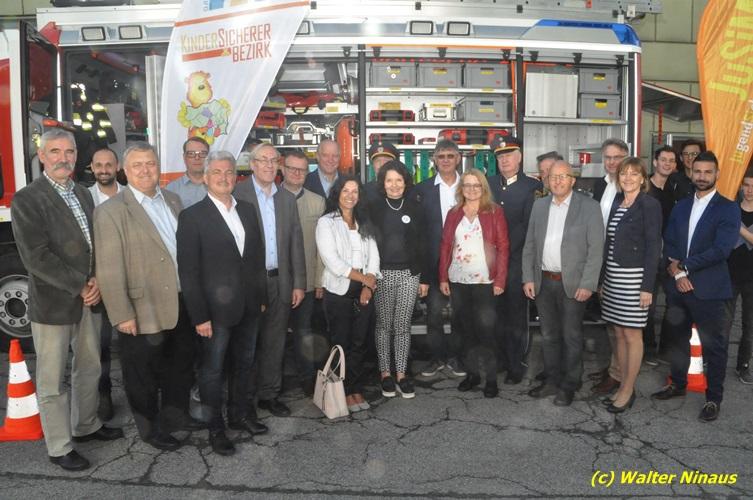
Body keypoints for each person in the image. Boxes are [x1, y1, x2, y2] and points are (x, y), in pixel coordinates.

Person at [11, 129, 123, 472]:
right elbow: (36, 257)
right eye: (55, 152)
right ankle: (59, 446)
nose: (63, 158)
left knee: (89, 367)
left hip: (89, 297)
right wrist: (80, 285)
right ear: (42, 156)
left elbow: (94, 244)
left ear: (77, 156)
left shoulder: (82, 193)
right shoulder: (27, 199)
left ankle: (86, 425)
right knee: (52, 379)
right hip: (54, 303)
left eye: (69, 152)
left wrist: (98, 280)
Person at [94, 142, 201, 452]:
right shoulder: (111, 211)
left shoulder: (173, 200)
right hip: (142, 307)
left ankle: (177, 416)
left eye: (150, 163)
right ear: (125, 171)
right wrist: (122, 313)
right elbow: (109, 268)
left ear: (158, 167)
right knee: (142, 373)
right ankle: (150, 428)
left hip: (181, 301)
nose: (145, 170)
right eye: (137, 165)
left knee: (179, 365)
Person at [176, 151, 268, 456]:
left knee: (245, 364)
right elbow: (188, 272)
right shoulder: (192, 217)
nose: (224, 177)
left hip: (249, 307)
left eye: (229, 172)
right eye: (216, 172)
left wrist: (261, 298)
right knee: (212, 372)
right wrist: (199, 316)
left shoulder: (247, 210)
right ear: (205, 177)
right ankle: (216, 427)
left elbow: (256, 259)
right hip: (214, 314)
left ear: (236, 177)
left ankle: (240, 415)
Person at [651, 151, 739, 422]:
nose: (702, 176)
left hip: (709, 289)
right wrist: (677, 272)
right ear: (691, 173)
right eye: (697, 171)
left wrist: (684, 267)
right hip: (679, 287)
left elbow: (721, 249)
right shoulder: (681, 206)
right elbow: (669, 240)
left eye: (707, 172)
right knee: (678, 341)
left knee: (715, 347)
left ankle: (713, 399)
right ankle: (677, 383)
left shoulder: (728, 208)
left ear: (717, 174)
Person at [523, 161, 604, 406]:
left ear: (572, 180)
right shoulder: (539, 206)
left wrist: (588, 284)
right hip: (543, 281)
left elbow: (596, 249)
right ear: (547, 181)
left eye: (563, 176)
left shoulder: (589, 207)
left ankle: (570, 384)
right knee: (548, 335)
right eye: (553, 177)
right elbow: (530, 245)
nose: (557, 181)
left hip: (573, 284)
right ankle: (552, 380)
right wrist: (528, 277)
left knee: (571, 336)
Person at [234, 143, 306, 418]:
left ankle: (269, 394)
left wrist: (299, 283)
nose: (267, 165)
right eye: (262, 160)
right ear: (252, 164)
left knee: (275, 342)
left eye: (272, 160)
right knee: (248, 343)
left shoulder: (286, 198)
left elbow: (296, 242)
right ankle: (245, 399)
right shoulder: (237, 194)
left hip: (281, 281)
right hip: (251, 284)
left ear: (278, 166)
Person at [598, 158, 662, 413]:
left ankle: (627, 390)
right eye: (624, 173)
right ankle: (624, 385)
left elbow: (653, 247)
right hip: (614, 277)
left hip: (635, 279)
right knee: (620, 334)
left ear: (643, 179)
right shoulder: (618, 202)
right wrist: (603, 279)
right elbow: (609, 244)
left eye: (634, 174)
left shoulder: (649, 204)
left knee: (633, 335)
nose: (628, 178)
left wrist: (647, 287)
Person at [438, 169, 509, 398]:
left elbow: (503, 247)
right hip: (458, 280)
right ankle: (472, 375)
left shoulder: (495, 212)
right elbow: (445, 245)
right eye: (467, 185)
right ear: (462, 189)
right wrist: (442, 277)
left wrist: (500, 279)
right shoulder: (454, 213)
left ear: (483, 188)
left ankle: (491, 379)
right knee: (465, 331)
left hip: (485, 281)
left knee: (486, 332)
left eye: (476, 185)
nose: (471, 189)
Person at [315, 176, 380, 412]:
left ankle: (356, 389)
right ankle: (340, 391)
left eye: (355, 191)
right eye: (345, 190)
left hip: (364, 288)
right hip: (338, 289)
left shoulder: (364, 221)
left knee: (359, 342)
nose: (350, 195)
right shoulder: (326, 222)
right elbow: (332, 261)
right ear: (337, 194)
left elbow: (374, 255)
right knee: (340, 342)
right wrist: (364, 280)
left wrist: (368, 285)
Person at [369, 160, 426, 399]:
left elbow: (423, 243)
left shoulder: (415, 207)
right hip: (381, 274)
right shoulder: (373, 208)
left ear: (405, 182)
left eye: (399, 180)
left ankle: (401, 374)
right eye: (389, 180)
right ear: (383, 183)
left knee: (402, 326)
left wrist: (424, 278)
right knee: (384, 326)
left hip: (409, 275)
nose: (394, 185)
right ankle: (385, 374)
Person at [487, 136, 542, 384]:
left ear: (519, 157)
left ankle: (515, 363)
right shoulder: (488, 184)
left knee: (515, 315)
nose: (504, 160)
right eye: (500, 156)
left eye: (509, 155)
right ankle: (499, 359)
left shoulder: (532, 187)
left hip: (516, 262)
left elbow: (530, 229)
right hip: (490, 263)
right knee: (494, 314)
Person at [410, 139, 466, 379]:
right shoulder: (421, 190)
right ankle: (437, 358)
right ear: (434, 159)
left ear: (458, 158)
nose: (445, 160)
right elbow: (418, 233)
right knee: (434, 314)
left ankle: (457, 358)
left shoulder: (470, 186)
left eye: (450, 156)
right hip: (434, 262)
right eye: (441, 156)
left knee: (461, 314)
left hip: (464, 261)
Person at [280, 150, 326, 395]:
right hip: (276, 282)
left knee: (304, 333)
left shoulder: (317, 202)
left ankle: (308, 381)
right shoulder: (268, 199)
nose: (297, 173)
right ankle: (273, 383)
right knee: (274, 335)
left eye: (302, 169)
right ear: (282, 169)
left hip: (306, 281)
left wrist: (319, 281)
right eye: (292, 168)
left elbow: (322, 248)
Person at [87, 147, 125, 421]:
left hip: (129, 283)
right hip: (98, 283)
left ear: (117, 166)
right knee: (101, 347)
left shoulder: (131, 196)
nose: (103, 170)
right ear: (91, 167)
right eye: (98, 165)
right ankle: (104, 395)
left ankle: (142, 394)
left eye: (108, 164)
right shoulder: (84, 198)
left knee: (135, 344)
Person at [590, 138, 629, 395]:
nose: (612, 162)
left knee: (620, 325)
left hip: (620, 262)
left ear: (626, 157)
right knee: (609, 319)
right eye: (608, 157)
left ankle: (618, 374)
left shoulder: (630, 187)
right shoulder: (600, 184)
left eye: (617, 157)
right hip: (600, 259)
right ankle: (613, 367)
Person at [644, 145, 679, 365]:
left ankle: (665, 349)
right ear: (655, 162)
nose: (667, 164)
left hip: (669, 257)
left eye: (671, 161)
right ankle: (648, 350)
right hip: (648, 256)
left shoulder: (673, 190)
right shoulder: (644, 187)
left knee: (673, 304)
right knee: (647, 304)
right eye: (663, 160)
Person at [728, 172, 753, 385]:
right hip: (729, 274)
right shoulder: (731, 209)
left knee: (749, 325)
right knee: (723, 323)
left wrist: (737, 227)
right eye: (746, 185)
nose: (750, 190)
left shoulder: (732, 217)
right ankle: (714, 360)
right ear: (740, 186)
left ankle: (743, 365)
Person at [165, 137, 209, 208]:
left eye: (202, 153)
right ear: (184, 157)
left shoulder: (219, 185)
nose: (197, 158)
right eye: (191, 153)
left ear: (208, 157)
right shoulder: (171, 189)